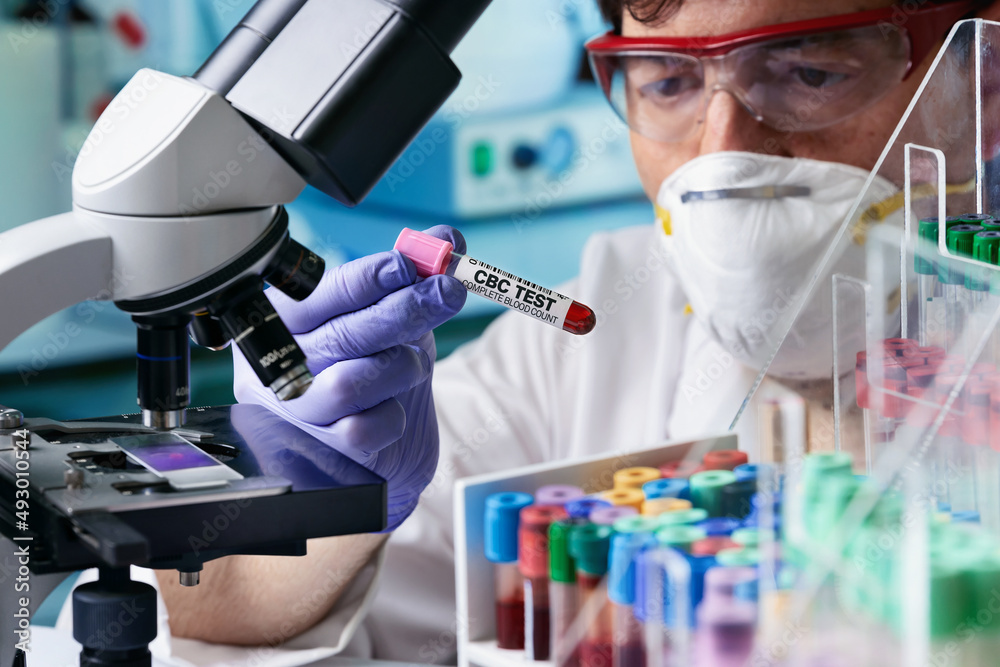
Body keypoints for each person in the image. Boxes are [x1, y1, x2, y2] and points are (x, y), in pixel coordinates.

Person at [147, 0, 1000, 661]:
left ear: (982, 80)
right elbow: (214, 626)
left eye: (810, 73)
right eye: (668, 81)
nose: (722, 153)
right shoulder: (589, 335)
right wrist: (296, 508)